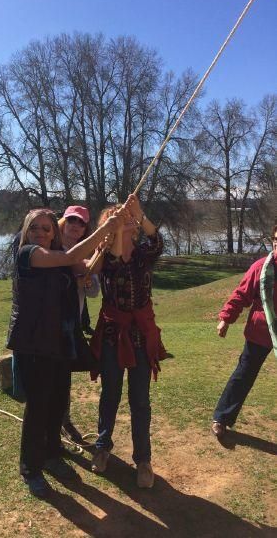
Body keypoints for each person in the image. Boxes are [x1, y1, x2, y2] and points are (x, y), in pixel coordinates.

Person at [6, 207, 124, 497]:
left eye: (46, 228)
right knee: (38, 408)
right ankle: (30, 469)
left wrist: (107, 244)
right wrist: (105, 228)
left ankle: (52, 455)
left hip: (60, 341)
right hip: (33, 343)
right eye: (35, 227)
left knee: (57, 402)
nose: (41, 233)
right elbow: (72, 258)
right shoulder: (29, 254)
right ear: (27, 230)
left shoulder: (59, 255)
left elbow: (89, 267)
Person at [89, 194, 167, 488]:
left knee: (140, 400)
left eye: (130, 222)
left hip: (140, 337)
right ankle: (102, 448)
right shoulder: (104, 258)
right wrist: (116, 229)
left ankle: (143, 460)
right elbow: (110, 264)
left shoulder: (144, 254)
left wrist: (140, 213)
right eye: (120, 221)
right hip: (113, 336)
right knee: (110, 395)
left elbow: (158, 242)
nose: (129, 224)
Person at [211, 225, 277, 438]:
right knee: (243, 375)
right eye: (275, 239)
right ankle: (221, 418)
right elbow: (241, 295)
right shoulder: (261, 267)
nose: (276, 244)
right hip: (260, 332)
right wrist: (225, 319)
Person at [58, 205, 100, 444]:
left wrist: (85, 281)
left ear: (86, 229)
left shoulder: (87, 254)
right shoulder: (50, 247)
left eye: (81, 223)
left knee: (64, 376)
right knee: (47, 377)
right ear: (63, 221)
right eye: (71, 220)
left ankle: (64, 421)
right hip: (49, 324)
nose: (75, 225)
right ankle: (46, 426)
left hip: (71, 325)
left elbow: (94, 291)